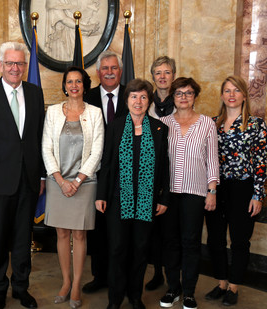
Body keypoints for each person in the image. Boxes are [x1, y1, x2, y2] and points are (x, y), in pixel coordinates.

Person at [0, 41, 45, 309]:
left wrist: (41, 177)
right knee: (0, 237)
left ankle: (21, 287)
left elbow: (38, 139)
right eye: (10, 63)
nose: (15, 68)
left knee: (23, 238)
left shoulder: (35, 94)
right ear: (0, 65)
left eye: (20, 63)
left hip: (28, 179)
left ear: (26, 67)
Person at [95, 79, 170, 309]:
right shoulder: (116, 126)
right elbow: (106, 163)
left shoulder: (159, 129)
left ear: (149, 101)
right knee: (117, 249)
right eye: (134, 97)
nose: (138, 101)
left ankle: (135, 297)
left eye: (143, 97)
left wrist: (164, 198)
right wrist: (101, 195)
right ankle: (115, 299)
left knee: (140, 250)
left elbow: (164, 167)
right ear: (126, 100)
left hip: (147, 200)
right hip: (118, 200)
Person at [42, 66, 104, 309]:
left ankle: (77, 283)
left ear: (85, 85)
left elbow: (97, 151)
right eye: (70, 81)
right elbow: (46, 147)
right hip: (57, 181)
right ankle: (65, 282)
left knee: (79, 234)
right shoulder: (53, 112)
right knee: (61, 233)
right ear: (64, 85)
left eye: (79, 81)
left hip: (85, 182)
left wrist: (77, 181)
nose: (74, 85)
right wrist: (60, 180)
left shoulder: (95, 113)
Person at [204, 76, 267, 306]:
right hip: (216, 188)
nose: (231, 95)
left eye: (236, 90)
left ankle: (233, 286)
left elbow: (260, 162)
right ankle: (221, 283)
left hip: (243, 188)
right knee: (215, 239)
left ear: (243, 95)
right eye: (227, 91)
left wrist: (257, 195)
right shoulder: (211, 124)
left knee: (240, 240)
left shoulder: (256, 124)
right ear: (222, 95)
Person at [159, 77, 219, 309]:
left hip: (195, 193)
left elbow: (213, 161)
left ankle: (190, 292)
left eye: (188, 93)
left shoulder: (206, 124)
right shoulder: (162, 123)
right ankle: (173, 288)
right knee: (170, 242)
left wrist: (211, 190)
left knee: (191, 242)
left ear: (195, 96)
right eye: (179, 93)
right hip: (168, 194)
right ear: (172, 97)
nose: (183, 97)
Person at [82, 50, 128, 294]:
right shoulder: (87, 98)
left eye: (114, 68)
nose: (109, 72)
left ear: (120, 72)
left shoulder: (133, 97)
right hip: (95, 173)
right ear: (98, 72)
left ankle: (119, 277)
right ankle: (99, 275)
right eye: (105, 68)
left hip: (125, 175)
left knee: (121, 230)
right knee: (98, 229)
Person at [144, 55, 177, 292]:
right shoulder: (146, 106)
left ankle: (174, 277)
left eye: (166, 72)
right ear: (152, 77)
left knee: (172, 232)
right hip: (152, 178)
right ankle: (157, 273)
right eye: (158, 72)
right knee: (154, 232)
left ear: (173, 76)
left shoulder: (182, 102)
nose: (162, 77)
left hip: (178, 176)